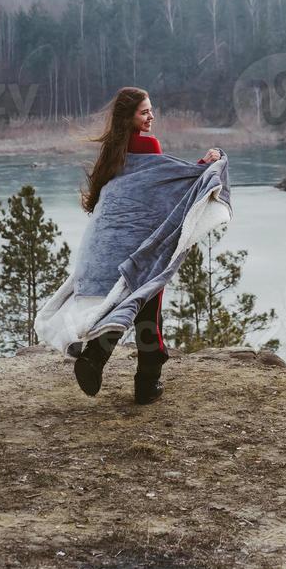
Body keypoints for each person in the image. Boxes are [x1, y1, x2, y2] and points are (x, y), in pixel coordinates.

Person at [74, 86, 223, 405]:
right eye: (144, 112)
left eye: (151, 110)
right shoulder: (147, 144)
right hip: (143, 242)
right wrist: (205, 167)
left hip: (114, 244)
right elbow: (163, 189)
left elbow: (119, 194)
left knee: (134, 303)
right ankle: (141, 378)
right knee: (147, 307)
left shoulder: (114, 150)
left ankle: (100, 359)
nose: (151, 116)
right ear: (129, 118)